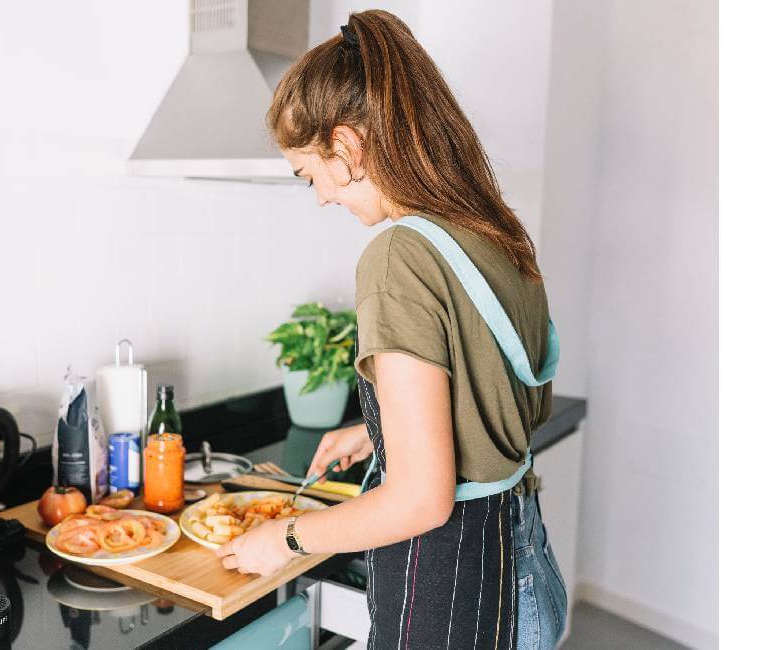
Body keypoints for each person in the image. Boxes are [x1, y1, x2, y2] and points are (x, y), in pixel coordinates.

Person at [215, 10, 568, 649]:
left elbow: (421, 501)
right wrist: (375, 432)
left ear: (346, 146)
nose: (320, 195)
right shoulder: (495, 233)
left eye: (309, 173)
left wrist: (285, 539)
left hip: (450, 590)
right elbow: (499, 397)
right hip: (523, 570)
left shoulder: (397, 256)